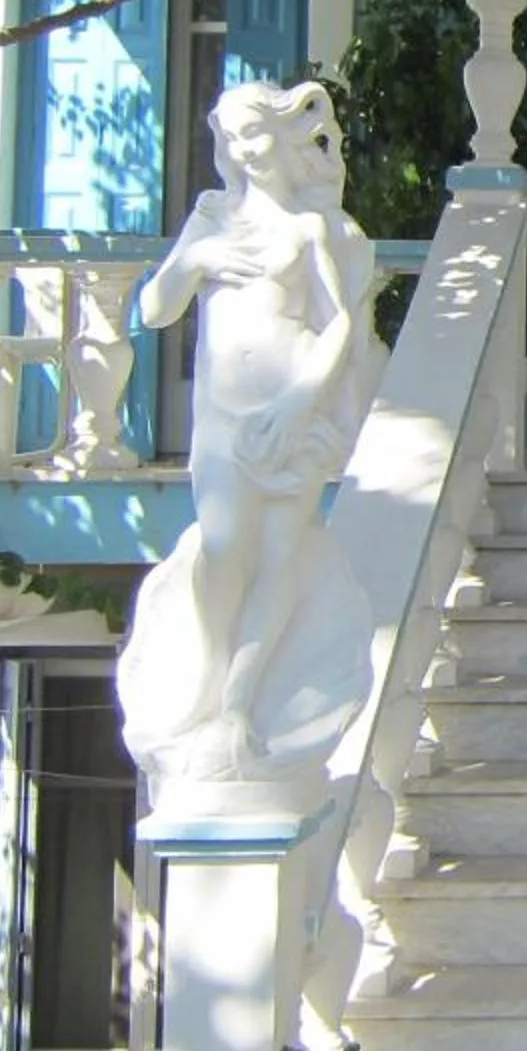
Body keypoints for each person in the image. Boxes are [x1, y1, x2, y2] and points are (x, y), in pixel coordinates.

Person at [117, 80, 376, 807]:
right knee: (224, 551)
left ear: (284, 138)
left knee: (277, 557)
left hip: (290, 416)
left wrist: (301, 401)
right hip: (225, 417)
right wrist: (194, 261)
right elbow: (154, 307)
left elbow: (341, 326)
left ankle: (236, 704)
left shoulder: (309, 228)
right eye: (230, 140)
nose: (242, 151)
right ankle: (202, 686)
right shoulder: (211, 219)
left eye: (254, 136)